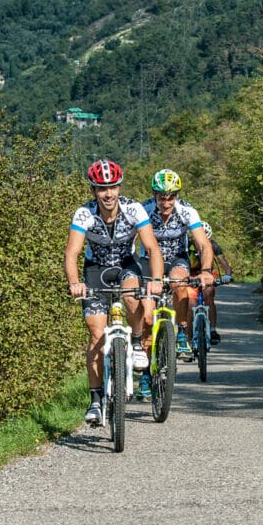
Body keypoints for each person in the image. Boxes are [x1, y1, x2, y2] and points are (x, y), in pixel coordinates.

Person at [65, 159, 164, 422]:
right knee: (97, 334)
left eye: (112, 187)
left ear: (119, 187)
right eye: (101, 189)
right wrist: (75, 283)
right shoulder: (84, 214)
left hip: (126, 265)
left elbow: (152, 248)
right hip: (95, 269)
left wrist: (155, 279)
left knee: (133, 296)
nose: (108, 194)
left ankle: (136, 342)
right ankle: (96, 401)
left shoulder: (134, 209)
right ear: (93, 191)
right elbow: (72, 252)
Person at [140, 169, 216, 357]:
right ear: (154, 195)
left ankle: (182, 329)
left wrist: (206, 270)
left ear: (177, 196)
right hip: (148, 261)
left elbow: (203, 244)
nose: (166, 203)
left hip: (177, 258)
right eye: (162, 198)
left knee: (178, 282)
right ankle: (146, 373)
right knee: (148, 318)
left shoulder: (187, 211)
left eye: (171, 197)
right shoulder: (144, 210)